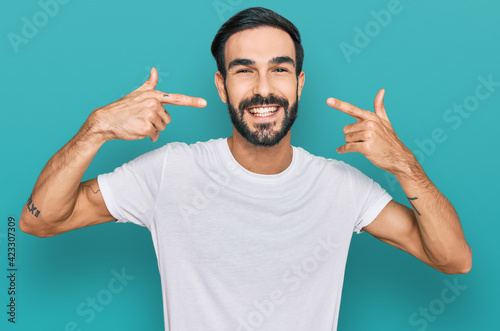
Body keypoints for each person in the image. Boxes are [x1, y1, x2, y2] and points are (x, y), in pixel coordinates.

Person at [20, 6, 471, 331]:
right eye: (243, 71)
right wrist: (96, 128)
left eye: (279, 70)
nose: (262, 90)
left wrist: (405, 165)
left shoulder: (341, 187)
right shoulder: (169, 172)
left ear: (299, 84)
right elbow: (41, 220)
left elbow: (452, 258)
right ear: (221, 85)